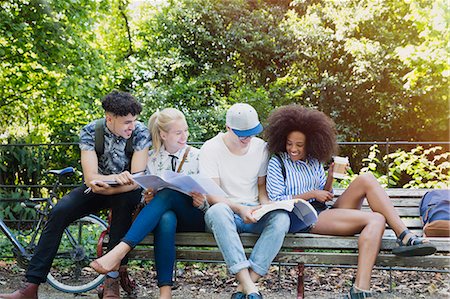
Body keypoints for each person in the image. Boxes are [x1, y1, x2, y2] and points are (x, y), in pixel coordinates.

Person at [264, 104, 437, 299]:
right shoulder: (278, 162)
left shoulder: (313, 161)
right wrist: (311, 193)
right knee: (376, 219)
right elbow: (276, 200)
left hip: (323, 211)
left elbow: (325, 193)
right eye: (289, 143)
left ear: (310, 143)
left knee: (367, 179)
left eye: (299, 145)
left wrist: (330, 176)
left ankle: (403, 235)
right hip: (302, 218)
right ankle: (361, 291)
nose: (293, 149)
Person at [0, 91, 151, 299]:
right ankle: (31, 286)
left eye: (134, 121)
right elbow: (91, 178)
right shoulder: (91, 131)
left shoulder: (141, 132)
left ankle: (112, 281)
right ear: (109, 118)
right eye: (126, 122)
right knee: (59, 212)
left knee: (123, 207)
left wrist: (108, 183)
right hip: (98, 189)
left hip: (126, 192)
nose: (131, 126)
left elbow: (137, 180)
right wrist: (107, 181)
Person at [90, 108, 206, 299]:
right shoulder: (151, 158)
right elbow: (144, 193)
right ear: (163, 134)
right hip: (163, 219)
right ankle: (165, 292)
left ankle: (119, 251)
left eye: (185, 130)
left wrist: (202, 202)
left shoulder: (199, 156)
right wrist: (147, 199)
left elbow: (212, 195)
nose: (184, 136)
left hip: (194, 215)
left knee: (168, 193)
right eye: (178, 132)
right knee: (166, 217)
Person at [200, 103, 290, 299]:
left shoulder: (261, 148)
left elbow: (261, 187)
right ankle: (250, 287)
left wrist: (265, 206)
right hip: (226, 213)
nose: (248, 138)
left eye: (252, 133)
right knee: (218, 211)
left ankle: (245, 289)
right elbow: (213, 196)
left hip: (252, 211)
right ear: (228, 128)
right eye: (243, 134)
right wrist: (239, 208)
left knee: (282, 218)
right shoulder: (210, 148)